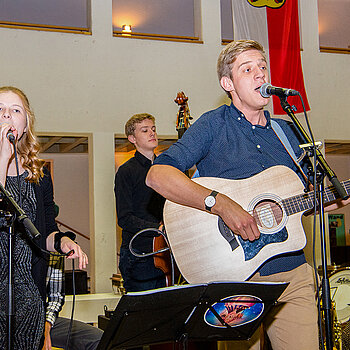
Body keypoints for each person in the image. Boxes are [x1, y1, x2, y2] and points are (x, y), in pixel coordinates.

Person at [146, 40, 350, 349]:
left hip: (293, 276)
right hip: (237, 281)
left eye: (263, 67)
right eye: (248, 69)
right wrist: (220, 203)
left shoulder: (288, 132)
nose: (260, 74)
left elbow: (305, 199)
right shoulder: (213, 125)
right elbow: (157, 175)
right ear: (228, 83)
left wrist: (331, 196)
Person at [0, 86, 88, 349]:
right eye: (0, 109)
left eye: (15, 110)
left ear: (26, 124)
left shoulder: (39, 174)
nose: (7, 115)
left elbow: (45, 232)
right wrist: (3, 157)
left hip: (29, 299)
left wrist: (62, 242)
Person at [114, 113, 166, 293]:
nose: (152, 133)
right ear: (132, 138)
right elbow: (125, 218)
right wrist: (157, 228)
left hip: (166, 251)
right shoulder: (126, 171)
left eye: (153, 129)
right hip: (139, 255)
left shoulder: (166, 168)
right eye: (145, 130)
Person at [43, 254, 103, 350]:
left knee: (99, 340)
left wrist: (46, 326)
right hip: (15, 320)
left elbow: (55, 298)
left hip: (42, 319)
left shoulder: (56, 252)